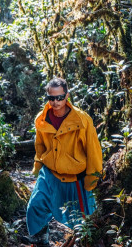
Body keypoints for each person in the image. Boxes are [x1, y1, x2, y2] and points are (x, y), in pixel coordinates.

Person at [21, 77, 103, 247]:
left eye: (60, 97)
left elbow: (93, 151)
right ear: (48, 97)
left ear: (67, 96)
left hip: (76, 177)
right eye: (52, 98)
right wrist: (37, 168)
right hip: (50, 173)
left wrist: (92, 180)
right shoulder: (42, 119)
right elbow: (40, 145)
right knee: (34, 208)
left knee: (81, 221)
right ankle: (40, 240)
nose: (56, 102)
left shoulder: (82, 119)